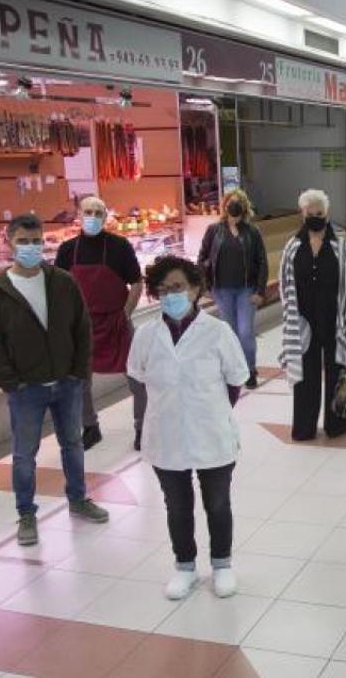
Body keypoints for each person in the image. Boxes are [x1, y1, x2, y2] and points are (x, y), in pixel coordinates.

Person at [0, 214, 109, 547]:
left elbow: (82, 329)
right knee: (25, 455)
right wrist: (11, 382)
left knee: (73, 444)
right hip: (26, 389)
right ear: (9, 242)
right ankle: (26, 514)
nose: (31, 247)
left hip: (66, 383)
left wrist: (78, 371)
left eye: (36, 240)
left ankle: (78, 499)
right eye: (24, 241)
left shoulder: (62, 281)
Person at [128, 255, 250, 601]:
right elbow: (137, 378)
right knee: (177, 506)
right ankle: (185, 568)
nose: (171, 295)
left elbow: (235, 381)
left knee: (217, 503)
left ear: (195, 289)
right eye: (164, 290)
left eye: (178, 287)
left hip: (211, 430)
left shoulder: (217, 331)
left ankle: (222, 565)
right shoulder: (147, 335)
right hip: (165, 433)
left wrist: (209, 412)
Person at [54, 196, 145, 451]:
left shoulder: (120, 246)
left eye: (97, 213)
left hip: (117, 321)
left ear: (105, 218)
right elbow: (58, 288)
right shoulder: (67, 250)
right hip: (82, 325)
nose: (92, 217)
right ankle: (90, 427)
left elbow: (137, 283)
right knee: (79, 381)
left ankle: (143, 427)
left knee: (137, 378)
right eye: (87, 212)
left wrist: (125, 314)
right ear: (79, 216)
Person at [279, 189, 346, 441]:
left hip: (335, 318)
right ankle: (304, 427)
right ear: (302, 214)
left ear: (327, 214)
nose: (315, 217)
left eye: (320, 213)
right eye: (310, 214)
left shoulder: (340, 246)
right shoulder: (293, 247)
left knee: (337, 371)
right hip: (303, 321)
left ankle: (337, 424)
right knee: (306, 374)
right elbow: (285, 282)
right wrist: (289, 315)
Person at [198, 189, 267, 389]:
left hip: (246, 289)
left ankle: (250, 369)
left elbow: (261, 261)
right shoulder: (214, 230)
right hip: (222, 289)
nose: (233, 206)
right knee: (230, 332)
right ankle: (234, 370)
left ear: (244, 207)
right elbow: (202, 257)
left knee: (245, 331)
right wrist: (204, 285)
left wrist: (260, 291)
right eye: (230, 202)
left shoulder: (252, 232)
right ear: (225, 205)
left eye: (238, 203)